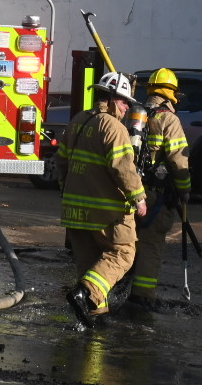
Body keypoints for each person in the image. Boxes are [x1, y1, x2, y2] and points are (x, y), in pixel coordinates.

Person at [58, 70, 147, 326]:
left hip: (75, 212)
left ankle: (93, 320)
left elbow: (61, 162)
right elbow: (123, 168)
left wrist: (67, 191)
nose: (126, 108)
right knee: (123, 254)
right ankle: (83, 294)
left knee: (92, 268)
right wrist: (139, 198)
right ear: (111, 99)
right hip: (106, 213)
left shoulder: (78, 120)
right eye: (124, 102)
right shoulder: (113, 127)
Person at [128, 67, 192, 307]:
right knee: (151, 245)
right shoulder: (169, 119)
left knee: (127, 242)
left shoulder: (132, 115)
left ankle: (120, 289)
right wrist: (185, 190)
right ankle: (142, 297)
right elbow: (178, 160)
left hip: (129, 191)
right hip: (155, 196)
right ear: (171, 94)